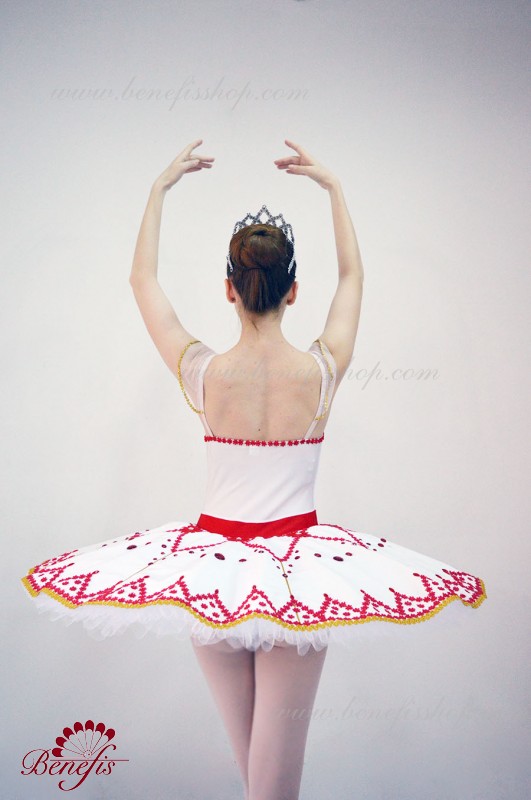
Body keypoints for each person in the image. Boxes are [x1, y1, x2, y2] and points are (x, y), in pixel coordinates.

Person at [21, 139, 487, 800]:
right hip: (300, 580)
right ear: (293, 290)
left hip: (209, 575)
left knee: (258, 780)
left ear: (229, 290)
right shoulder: (322, 370)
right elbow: (353, 280)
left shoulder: (203, 371)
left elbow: (142, 282)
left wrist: (159, 189)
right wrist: (334, 190)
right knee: (272, 782)